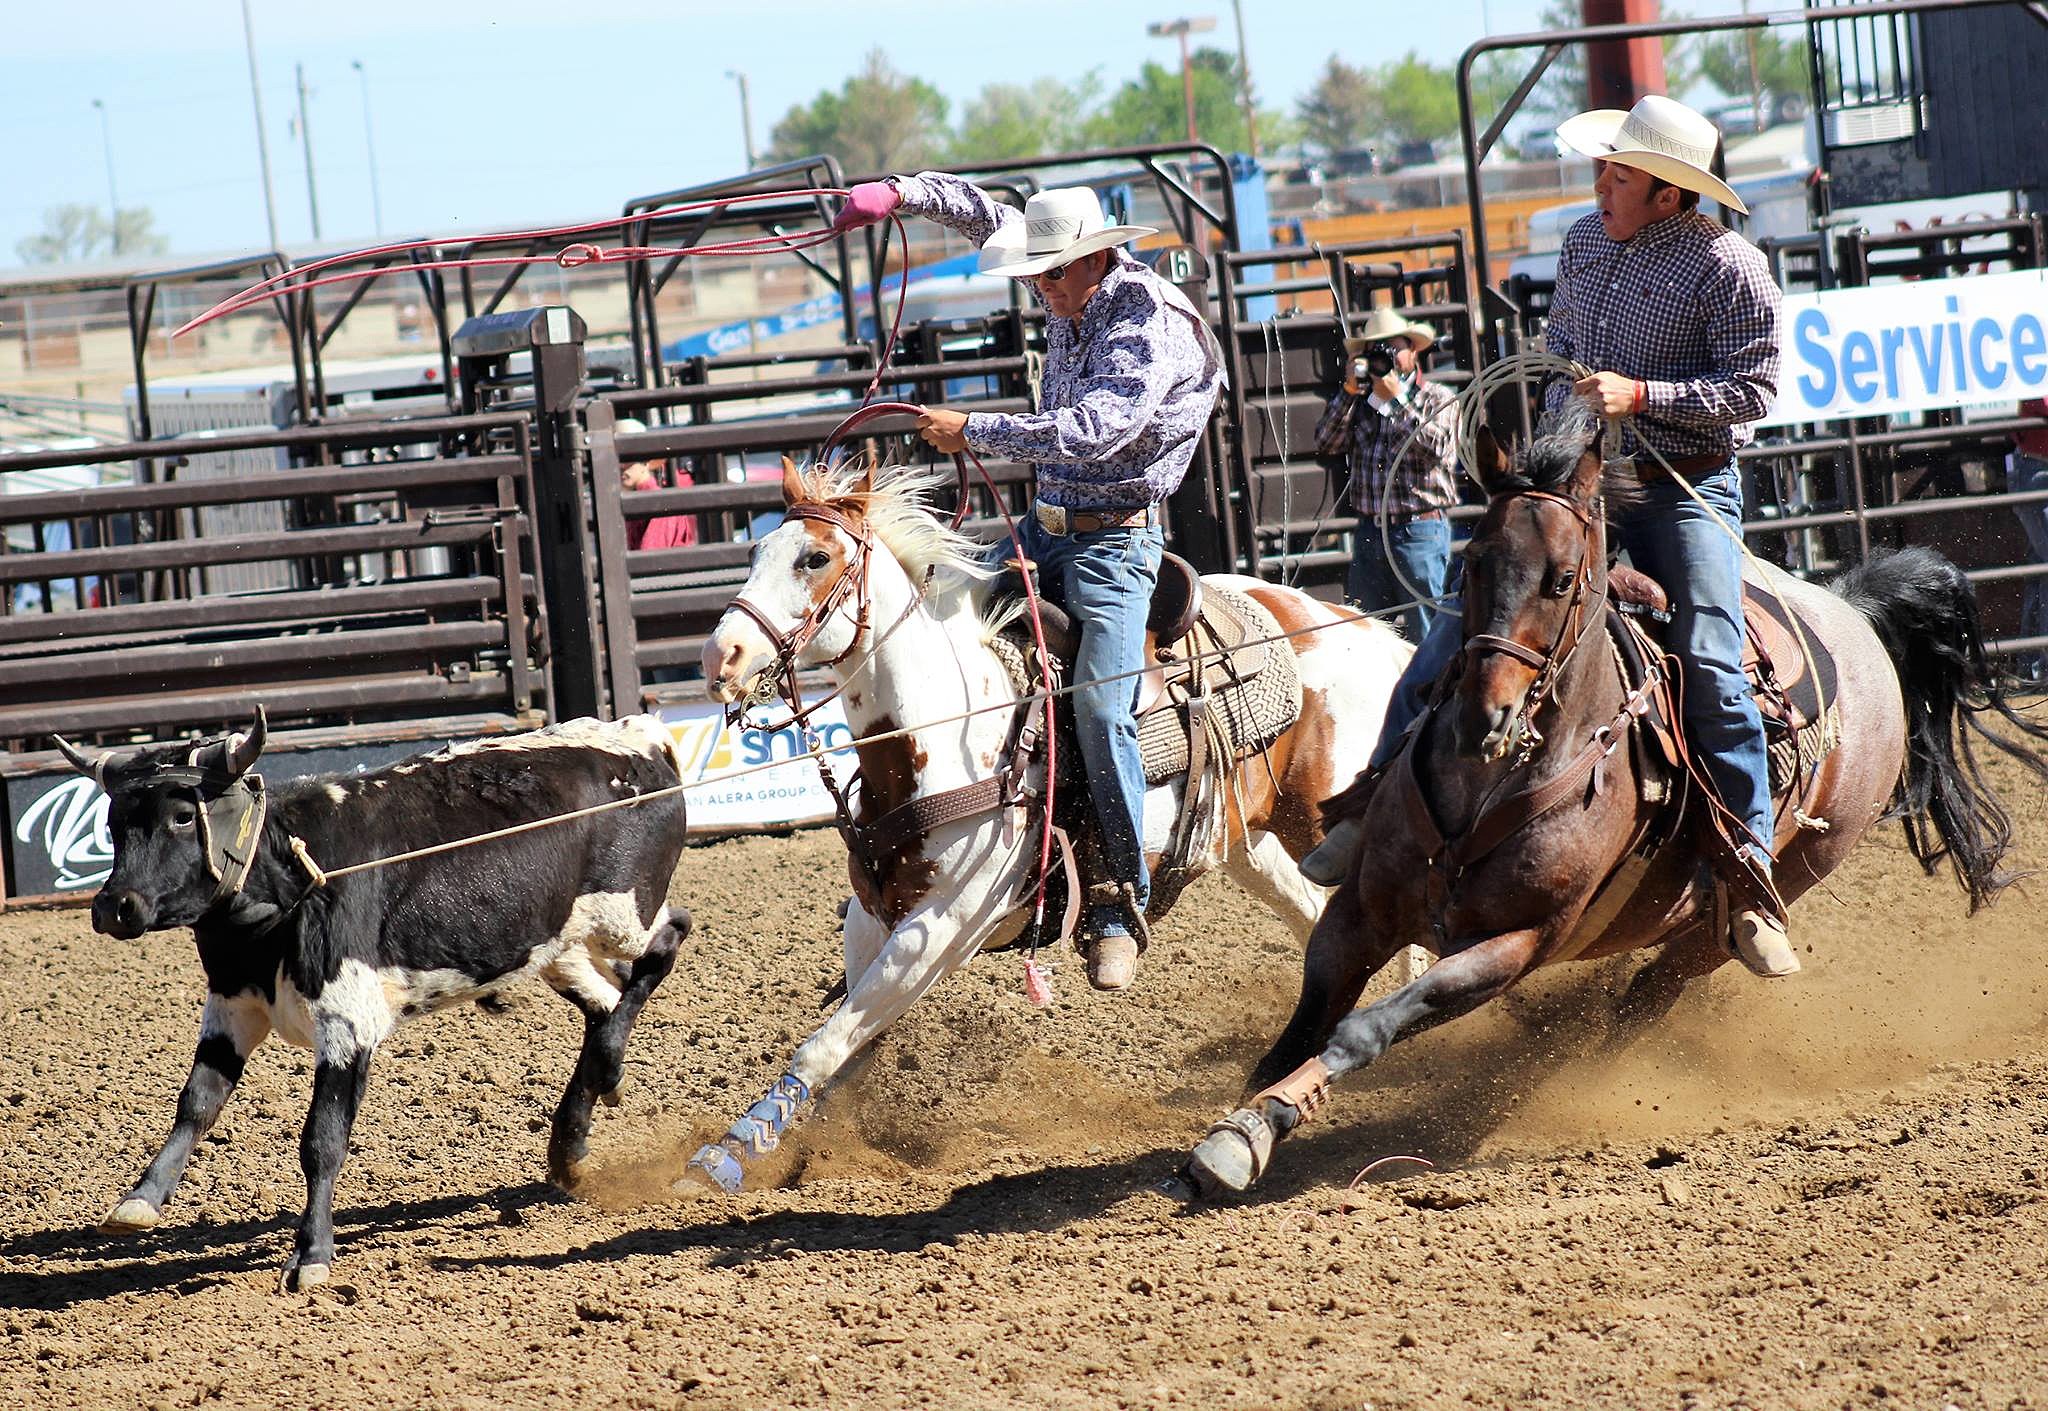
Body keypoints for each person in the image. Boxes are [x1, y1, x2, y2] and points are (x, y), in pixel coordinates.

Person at [1301, 94, 1797, 979]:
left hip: (1684, 488)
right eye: (1604, 168)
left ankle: (1746, 863)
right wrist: (1563, 424)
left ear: (1670, 193)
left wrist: (1642, 395)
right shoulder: (1581, 244)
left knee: (1713, 657)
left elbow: (1754, 393)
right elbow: (1561, 351)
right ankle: (1371, 806)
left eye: (1620, 174)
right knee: (1464, 630)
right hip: (1581, 484)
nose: (1601, 184)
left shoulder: (1732, 269)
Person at [833, 177, 1224, 991]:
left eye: (1049, 275)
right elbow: (985, 210)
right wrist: (898, 193)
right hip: (1049, 528)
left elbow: (1100, 429)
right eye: (1035, 274)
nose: (1039, 288)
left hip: (1117, 546)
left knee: (1099, 701)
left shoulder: (1146, 319)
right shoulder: (1072, 283)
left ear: (1093, 256)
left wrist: (976, 429)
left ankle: (1121, 893)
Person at [1313, 307, 1461, 642]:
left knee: (1428, 633)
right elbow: (1326, 442)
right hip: (1370, 531)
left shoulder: (1437, 397)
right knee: (1363, 633)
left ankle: (1432, 695)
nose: (1387, 358)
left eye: (1393, 348)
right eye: (1377, 351)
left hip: (1419, 530)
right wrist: (1350, 393)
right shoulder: (1360, 400)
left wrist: (1397, 402)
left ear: (1413, 351)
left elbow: (1435, 450)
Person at [2009, 396, 2048, 682]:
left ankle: (2032, 665)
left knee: (2041, 568)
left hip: (2034, 465)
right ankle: (2038, 665)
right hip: (2037, 466)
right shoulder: (2037, 363)